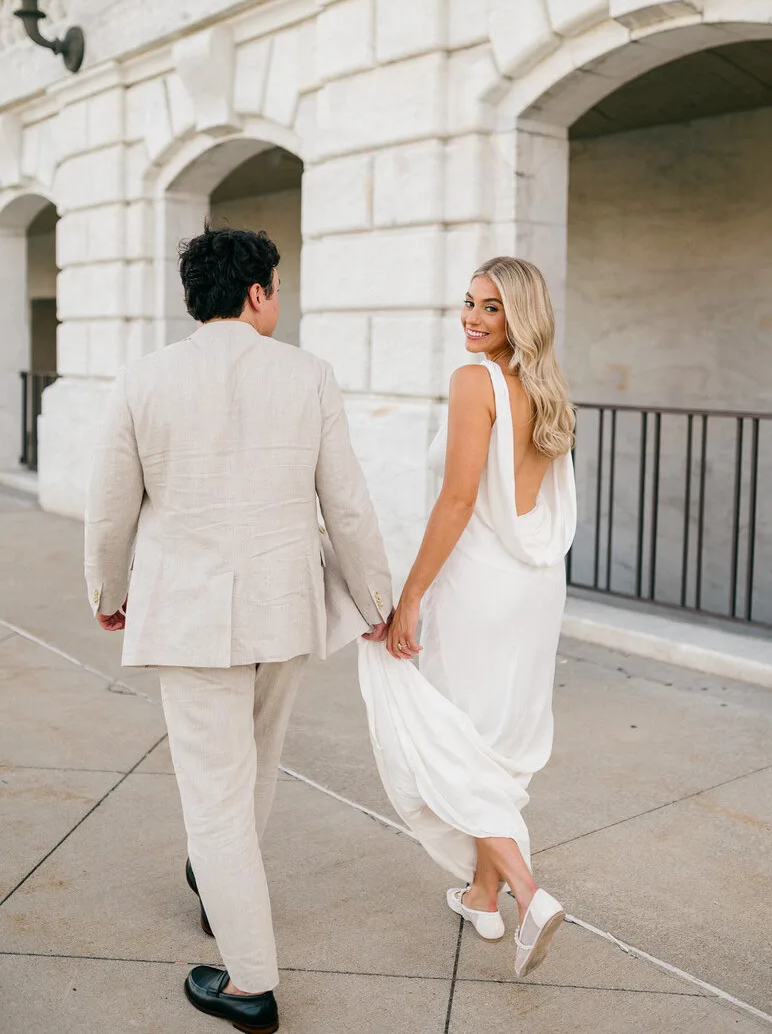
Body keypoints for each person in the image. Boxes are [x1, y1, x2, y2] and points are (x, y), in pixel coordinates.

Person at [84, 224, 392, 1033]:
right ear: (256, 292)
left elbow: (111, 506)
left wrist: (108, 590)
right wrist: (375, 598)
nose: (279, 300)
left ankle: (250, 980)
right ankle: (223, 893)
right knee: (253, 769)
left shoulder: (144, 379)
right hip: (281, 611)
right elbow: (348, 503)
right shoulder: (310, 375)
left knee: (214, 793)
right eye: (277, 286)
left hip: (188, 616)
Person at [359, 256, 576, 977]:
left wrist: (412, 593)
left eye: (491, 308)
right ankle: (482, 896)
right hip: (535, 585)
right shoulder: (545, 387)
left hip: (478, 583)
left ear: (519, 317)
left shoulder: (473, 382)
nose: (472, 318)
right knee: (492, 744)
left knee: (445, 732)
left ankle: (528, 890)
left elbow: (457, 500)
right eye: (469, 303)